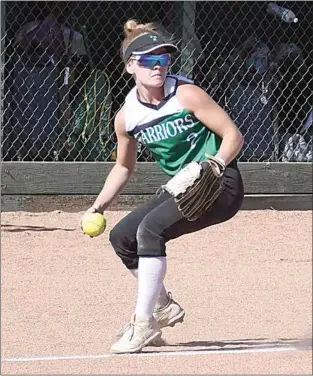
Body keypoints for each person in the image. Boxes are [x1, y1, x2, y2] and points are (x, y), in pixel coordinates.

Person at [81, 19, 245, 354]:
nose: (159, 66)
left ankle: (142, 325)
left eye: (164, 59)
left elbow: (233, 136)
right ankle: (162, 306)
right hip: (181, 186)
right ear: (130, 66)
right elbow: (124, 167)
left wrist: (214, 165)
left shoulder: (186, 94)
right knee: (122, 237)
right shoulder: (127, 117)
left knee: (151, 230)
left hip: (219, 182)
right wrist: (98, 206)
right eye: (149, 60)